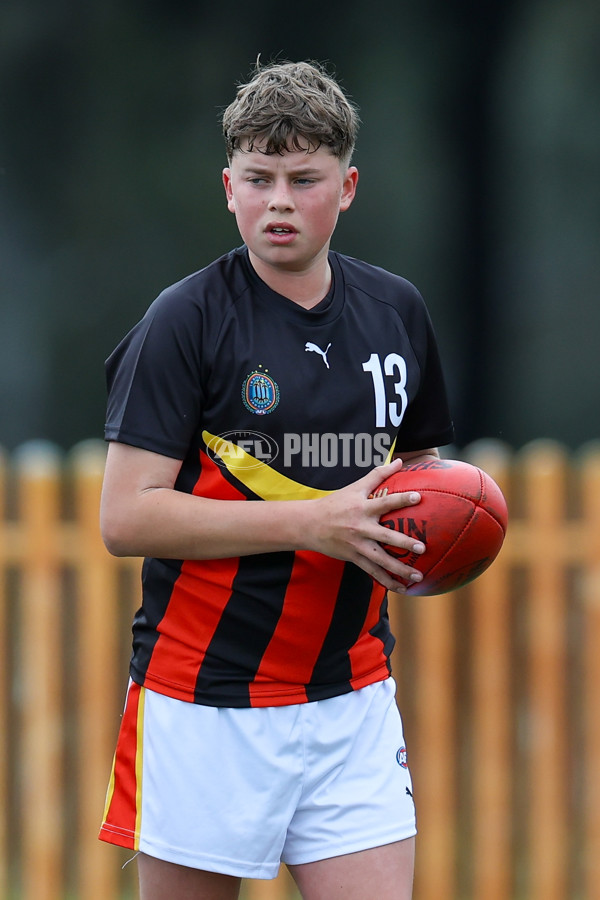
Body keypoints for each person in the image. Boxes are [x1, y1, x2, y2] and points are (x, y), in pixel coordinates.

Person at [98, 59, 454, 900]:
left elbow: (423, 477)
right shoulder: (185, 321)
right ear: (229, 188)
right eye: (259, 179)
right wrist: (312, 524)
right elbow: (126, 517)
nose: (279, 202)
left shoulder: (397, 312)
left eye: (304, 179)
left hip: (351, 696)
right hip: (204, 701)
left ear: (348, 187)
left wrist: (442, 536)